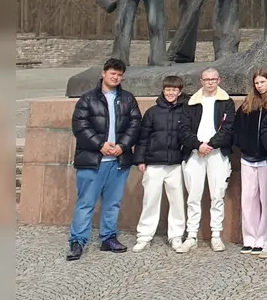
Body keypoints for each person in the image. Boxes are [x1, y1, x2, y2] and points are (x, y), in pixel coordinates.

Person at [68, 58, 141, 261]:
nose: (115, 77)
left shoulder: (127, 99)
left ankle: (108, 238)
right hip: (92, 160)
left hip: (118, 161)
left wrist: (122, 146)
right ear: (103, 73)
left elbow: (135, 124)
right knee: (86, 202)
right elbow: (80, 126)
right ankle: (77, 241)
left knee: (113, 203)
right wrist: (100, 145)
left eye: (119, 75)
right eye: (112, 73)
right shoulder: (87, 99)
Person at [131, 75, 192, 252]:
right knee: (150, 200)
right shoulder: (152, 112)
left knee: (177, 202)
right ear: (163, 90)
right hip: (154, 163)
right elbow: (143, 138)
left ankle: (176, 236)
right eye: (168, 89)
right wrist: (140, 159)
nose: (170, 93)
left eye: (174, 90)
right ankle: (144, 236)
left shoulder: (185, 111)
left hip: (175, 163)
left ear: (179, 91)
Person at [184, 68, 236, 252]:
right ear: (201, 81)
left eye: (213, 79)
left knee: (217, 195)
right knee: (193, 196)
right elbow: (184, 129)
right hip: (195, 154)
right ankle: (191, 235)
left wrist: (211, 145)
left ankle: (216, 235)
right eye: (207, 79)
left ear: (219, 80)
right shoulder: (191, 102)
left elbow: (228, 128)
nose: (210, 82)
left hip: (217, 154)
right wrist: (198, 145)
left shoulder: (226, 102)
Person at [233, 70, 267, 257]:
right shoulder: (247, 103)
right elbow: (238, 127)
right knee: (248, 200)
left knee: (266, 200)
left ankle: (263, 238)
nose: (259, 85)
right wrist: (242, 144)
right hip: (247, 157)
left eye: (263, 81)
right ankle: (249, 238)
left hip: (266, 159)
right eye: (257, 82)